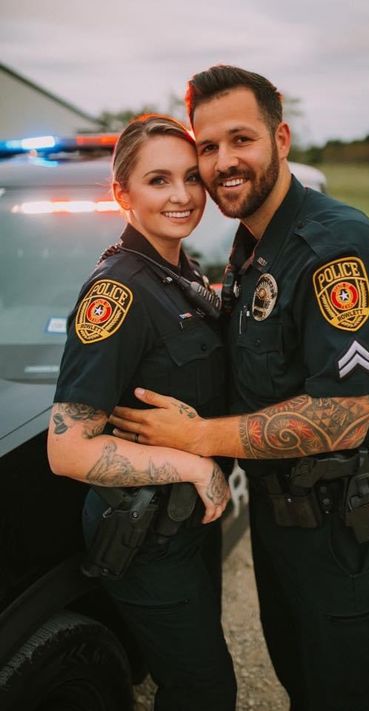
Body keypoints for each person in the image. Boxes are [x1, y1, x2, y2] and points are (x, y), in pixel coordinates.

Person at [110, 67, 369, 711]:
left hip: (339, 531)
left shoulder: (336, 247)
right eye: (208, 147)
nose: (222, 163)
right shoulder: (251, 249)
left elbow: (345, 414)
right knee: (302, 681)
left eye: (240, 140)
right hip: (278, 520)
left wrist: (197, 437)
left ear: (282, 138)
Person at [47, 114, 237, 711]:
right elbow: (67, 449)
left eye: (190, 178)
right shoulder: (118, 293)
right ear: (122, 193)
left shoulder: (179, 273)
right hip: (146, 532)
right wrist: (193, 467)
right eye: (159, 180)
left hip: (185, 527)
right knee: (204, 691)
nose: (182, 196)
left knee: (193, 680)